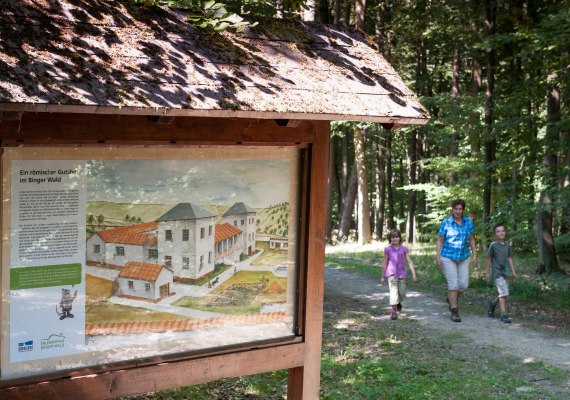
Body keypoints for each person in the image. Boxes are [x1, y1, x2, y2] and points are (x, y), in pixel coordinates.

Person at [436, 199, 477, 322]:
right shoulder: (446, 222)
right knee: (453, 284)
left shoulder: (468, 222)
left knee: (463, 285)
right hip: (448, 257)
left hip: (463, 256)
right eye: (456, 209)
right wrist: (437, 257)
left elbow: (471, 240)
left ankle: (451, 297)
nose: (458, 211)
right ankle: (454, 310)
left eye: (460, 209)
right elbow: (439, 240)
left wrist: (475, 255)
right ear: (452, 209)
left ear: (463, 210)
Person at [381, 229, 417, 320]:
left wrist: (414, 274)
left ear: (400, 238)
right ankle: (393, 311)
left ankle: (397, 303)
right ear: (390, 238)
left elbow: (409, 261)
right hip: (391, 274)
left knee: (402, 293)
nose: (394, 239)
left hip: (402, 274)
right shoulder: (388, 249)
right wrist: (382, 276)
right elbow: (385, 263)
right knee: (393, 293)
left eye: (396, 236)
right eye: (392, 237)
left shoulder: (404, 249)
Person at [485, 223, 518, 323]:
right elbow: (488, 259)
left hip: (505, 272)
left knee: (503, 293)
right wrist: (487, 273)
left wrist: (513, 271)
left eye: (503, 231)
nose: (501, 233)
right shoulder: (493, 245)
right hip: (497, 272)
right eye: (498, 231)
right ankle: (503, 314)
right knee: (503, 292)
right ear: (495, 234)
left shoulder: (507, 245)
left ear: (505, 232)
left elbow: (510, 258)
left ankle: (492, 303)